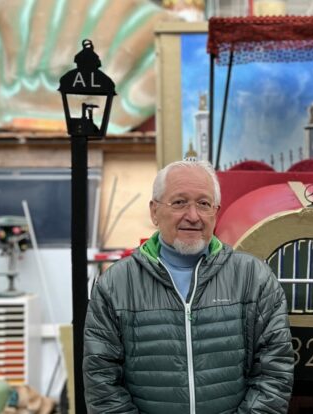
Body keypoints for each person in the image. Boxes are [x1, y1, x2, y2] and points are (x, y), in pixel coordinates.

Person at [83, 159, 295, 413]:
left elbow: (275, 373)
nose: (192, 216)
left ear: (215, 211)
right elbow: (101, 383)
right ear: (154, 211)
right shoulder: (115, 285)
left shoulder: (253, 278)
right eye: (179, 202)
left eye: (203, 204)